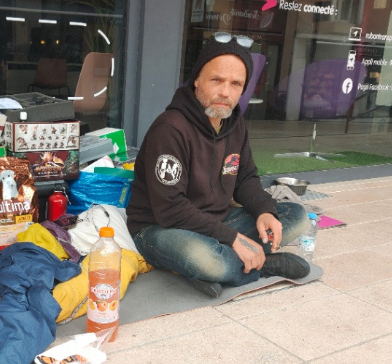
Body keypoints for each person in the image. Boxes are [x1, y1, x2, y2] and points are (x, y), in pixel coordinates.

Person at [126, 32, 310, 298]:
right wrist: (232, 238)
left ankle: (217, 269)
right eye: (217, 80)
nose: (225, 92)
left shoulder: (234, 123)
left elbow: (246, 178)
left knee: (296, 217)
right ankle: (258, 266)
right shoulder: (170, 128)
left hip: (217, 221)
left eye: (236, 83)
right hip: (160, 229)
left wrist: (264, 210)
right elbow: (170, 210)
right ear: (197, 80)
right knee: (206, 258)